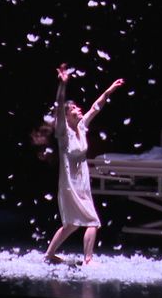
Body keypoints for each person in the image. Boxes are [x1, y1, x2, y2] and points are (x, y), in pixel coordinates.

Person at [44, 63, 124, 265]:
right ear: (66, 115)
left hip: (82, 182)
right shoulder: (63, 133)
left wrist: (110, 89)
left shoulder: (81, 127)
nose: (78, 110)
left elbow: (96, 107)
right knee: (92, 221)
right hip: (70, 183)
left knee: (71, 224)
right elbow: (59, 102)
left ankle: (49, 255)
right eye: (73, 109)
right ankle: (88, 259)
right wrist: (62, 85)